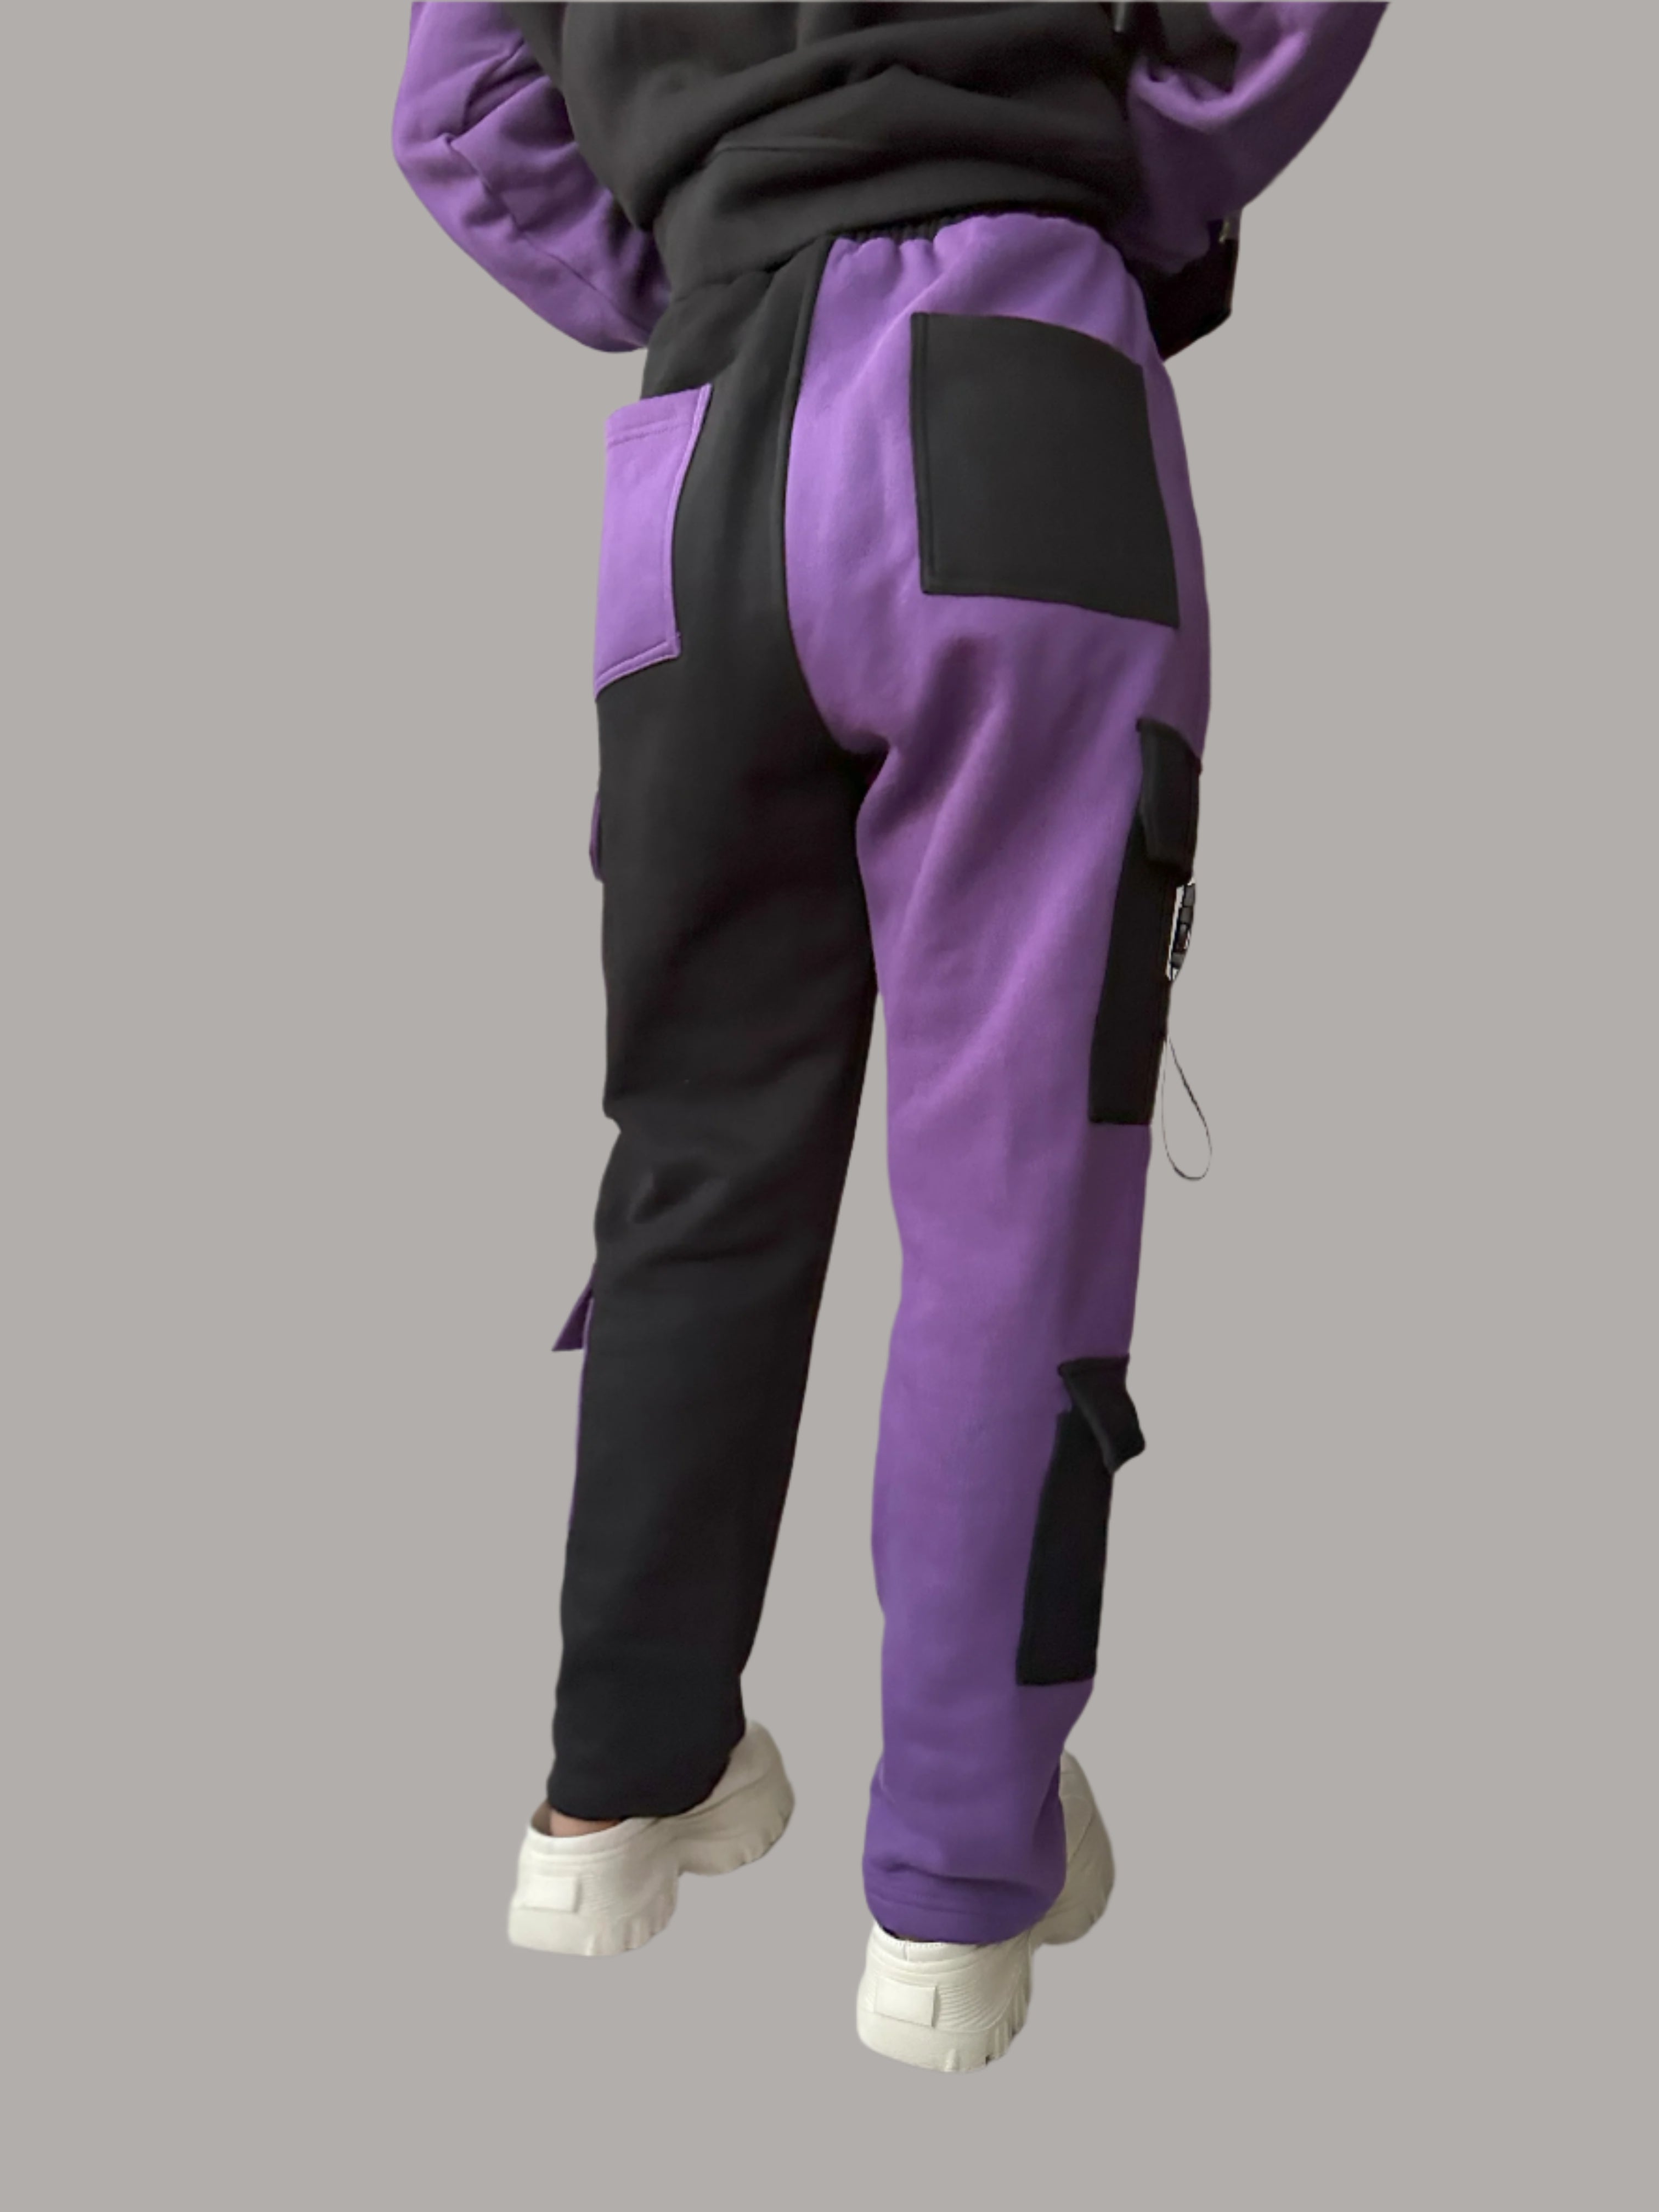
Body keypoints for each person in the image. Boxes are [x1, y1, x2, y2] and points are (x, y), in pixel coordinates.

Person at [392, 0, 1385, 2072]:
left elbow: (460, 105)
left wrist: (716, 216)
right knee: (1014, 1190)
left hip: (702, 440)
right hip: (1017, 380)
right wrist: (1111, 164)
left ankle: (620, 1784)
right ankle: (952, 1878)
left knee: (697, 1158)